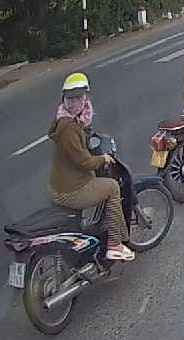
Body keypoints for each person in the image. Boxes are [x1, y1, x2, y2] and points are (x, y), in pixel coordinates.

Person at [47, 73, 135, 262]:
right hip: (70, 190)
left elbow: (82, 142)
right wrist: (103, 159)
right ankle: (114, 245)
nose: (76, 102)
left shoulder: (65, 119)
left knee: (98, 184)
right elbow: (84, 162)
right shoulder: (69, 127)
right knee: (112, 187)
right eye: (72, 98)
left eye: (78, 97)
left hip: (60, 185)